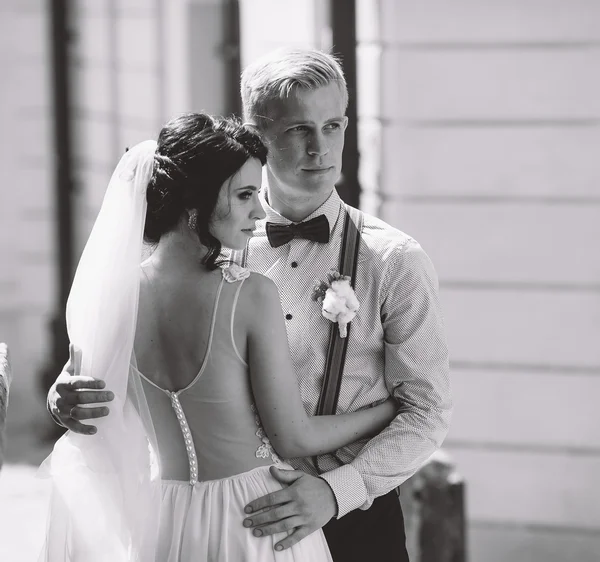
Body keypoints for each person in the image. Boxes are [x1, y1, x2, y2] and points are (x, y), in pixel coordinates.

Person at [48, 48, 452, 561]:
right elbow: (130, 339)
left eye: (332, 126)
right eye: (297, 131)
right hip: (233, 520)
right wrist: (69, 390)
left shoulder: (396, 260)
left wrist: (336, 492)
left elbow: (428, 410)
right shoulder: (207, 236)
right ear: (257, 139)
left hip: (355, 518)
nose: (319, 149)